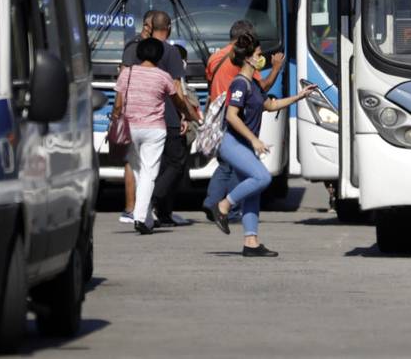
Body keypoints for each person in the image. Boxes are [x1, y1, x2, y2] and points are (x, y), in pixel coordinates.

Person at [206, 32, 315, 256]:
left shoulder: (252, 83)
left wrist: (300, 96)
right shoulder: (239, 84)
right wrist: (254, 139)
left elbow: (270, 106)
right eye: (257, 54)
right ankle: (223, 206)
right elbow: (232, 116)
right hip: (233, 143)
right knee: (262, 178)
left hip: (243, 144)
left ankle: (251, 243)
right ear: (248, 58)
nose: (261, 58)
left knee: (253, 192)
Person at [112, 38, 198, 234]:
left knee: (138, 170)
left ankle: (143, 215)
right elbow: (177, 100)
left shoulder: (127, 73)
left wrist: (117, 119)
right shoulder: (163, 76)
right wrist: (185, 115)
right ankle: (142, 217)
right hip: (154, 130)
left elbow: (118, 104)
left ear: (139, 54)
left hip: (130, 128)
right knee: (150, 172)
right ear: (159, 55)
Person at [202, 20, 284, 219]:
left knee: (225, 164)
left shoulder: (215, 57)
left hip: (216, 117)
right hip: (237, 116)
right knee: (239, 167)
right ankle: (227, 207)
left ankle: (211, 202)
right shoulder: (241, 60)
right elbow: (260, 88)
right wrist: (275, 68)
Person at [116, 10, 159, 223]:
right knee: (134, 162)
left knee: (142, 163)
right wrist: (118, 113)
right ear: (148, 26)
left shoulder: (150, 47)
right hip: (134, 114)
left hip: (144, 115)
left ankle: (142, 209)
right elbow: (122, 83)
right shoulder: (134, 48)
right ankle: (131, 208)